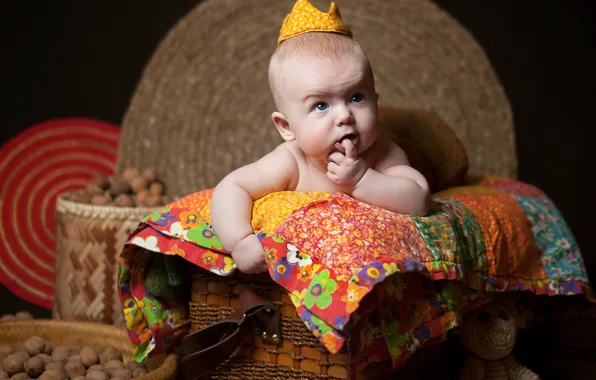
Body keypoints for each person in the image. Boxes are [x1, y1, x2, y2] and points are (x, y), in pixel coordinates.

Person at [210, 0, 429, 274]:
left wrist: (363, 179)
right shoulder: (291, 161)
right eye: (321, 105)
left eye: (356, 97)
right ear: (286, 127)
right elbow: (231, 187)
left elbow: (418, 199)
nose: (344, 116)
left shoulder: (381, 152)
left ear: (375, 101)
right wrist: (240, 241)